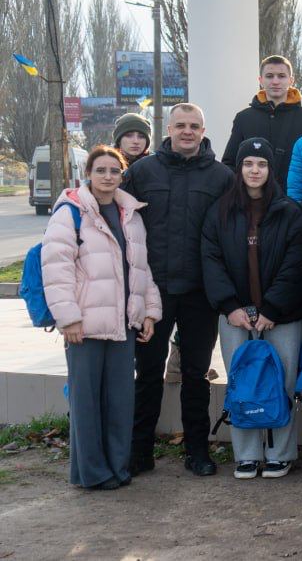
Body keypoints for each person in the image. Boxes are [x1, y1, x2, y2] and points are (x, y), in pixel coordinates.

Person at [122, 103, 234, 477]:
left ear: (203, 130)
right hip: (153, 291)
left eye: (195, 126)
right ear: (168, 129)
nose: (188, 131)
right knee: (148, 373)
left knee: (196, 374)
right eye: (181, 125)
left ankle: (197, 451)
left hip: (200, 293)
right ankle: (140, 452)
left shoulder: (222, 177)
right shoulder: (141, 171)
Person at [42, 146, 160, 489]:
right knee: (86, 403)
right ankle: (92, 473)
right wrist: (68, 319)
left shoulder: (131, 214)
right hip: (86, 326)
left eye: (114, 171)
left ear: (122, 175)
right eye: (101, 170)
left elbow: (141, 267)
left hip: (123, 324)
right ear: (88, 175)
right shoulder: (70, 212)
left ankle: (118, 469)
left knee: (120, 401)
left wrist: (149, 312)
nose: (108, 177)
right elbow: (57, 269)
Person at [201, 138, 302, 480]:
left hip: (282, 316)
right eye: (249, 164)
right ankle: (247, 454)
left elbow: (295, 266)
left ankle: (280, 453)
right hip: (235, 316)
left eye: (261, 165)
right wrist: (231, 307)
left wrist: (272, 309)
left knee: (283, 382)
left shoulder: (289, 212)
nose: (254, 170)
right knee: (241, 382)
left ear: (270, 170)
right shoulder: (220, 211)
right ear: (240, 169)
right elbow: (211, 260)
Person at [221, 55, 302, 184]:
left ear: (291, 80)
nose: (275, 81)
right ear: (260, 80)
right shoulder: (244, 118)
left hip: (295, 200)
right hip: (252, 200)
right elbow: (229, 164)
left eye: (281, 76)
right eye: (269, 76)